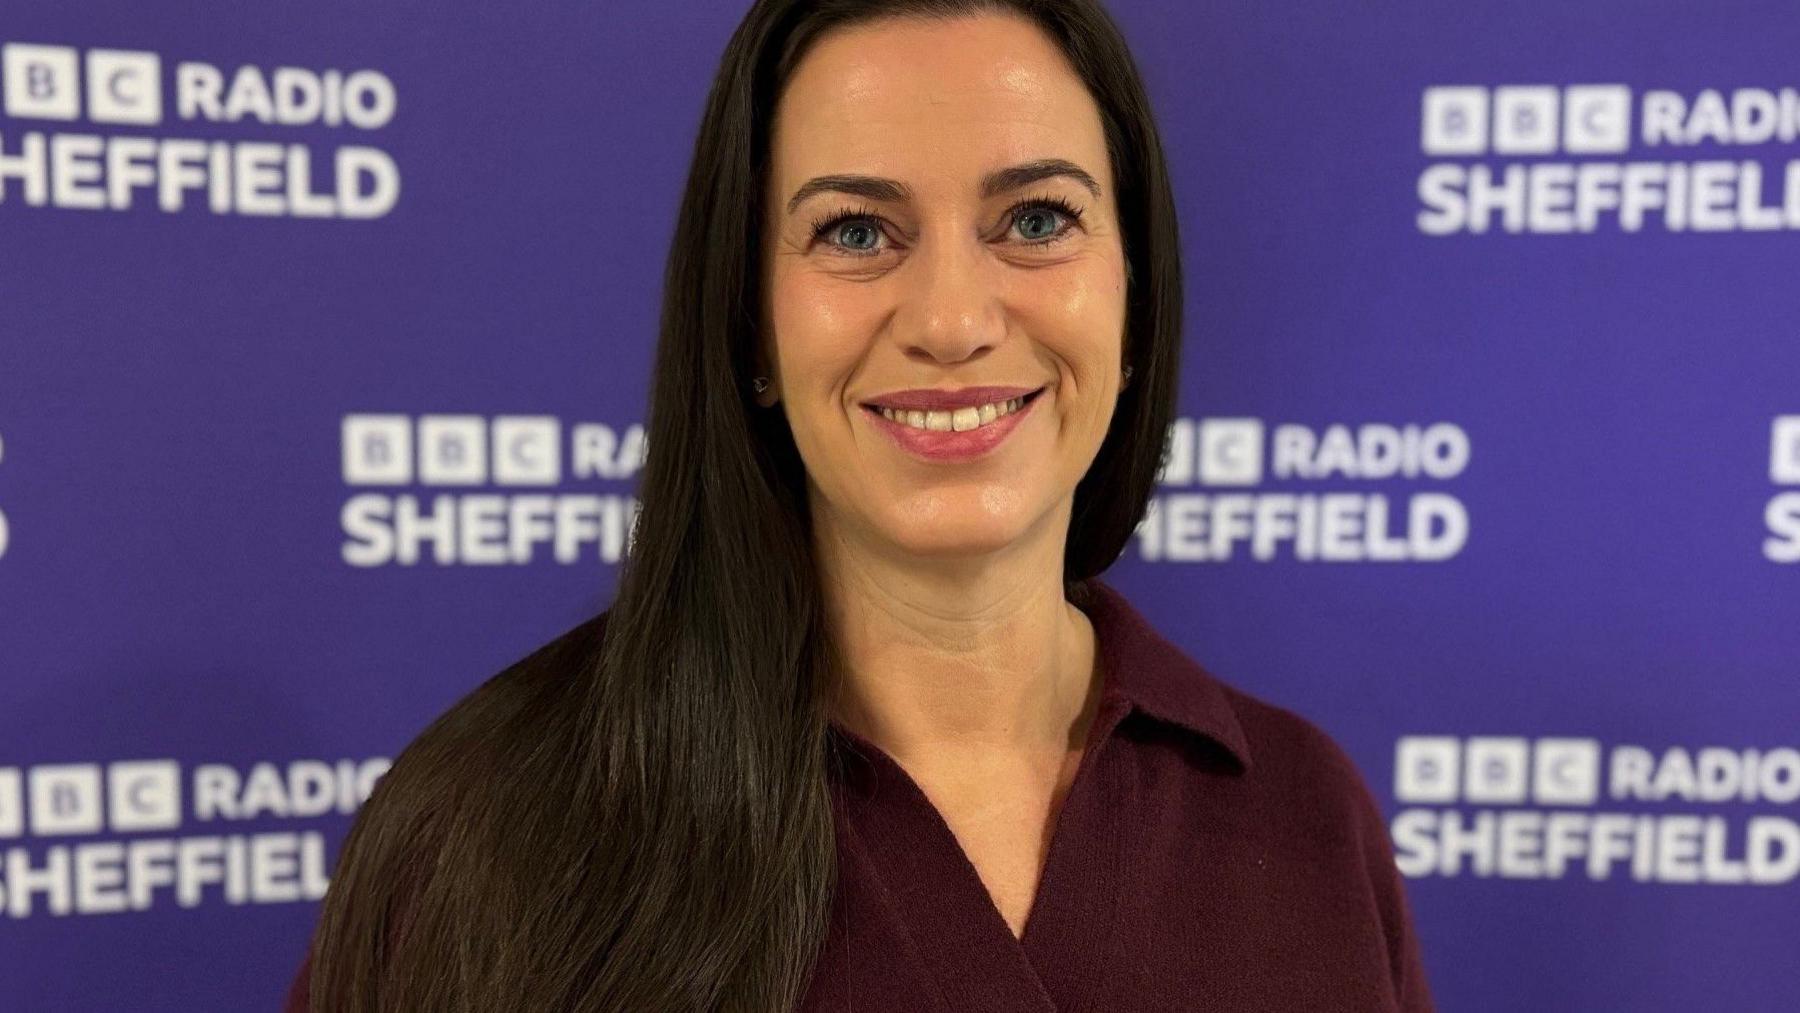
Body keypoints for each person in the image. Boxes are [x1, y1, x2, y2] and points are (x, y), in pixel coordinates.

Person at [286, 0, 1434, 1009]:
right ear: (751, 331)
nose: (950, 317)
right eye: (855, 230)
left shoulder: (1307, 810)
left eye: (1036, 218)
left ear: (1133, 297)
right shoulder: (478, 831)